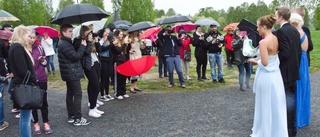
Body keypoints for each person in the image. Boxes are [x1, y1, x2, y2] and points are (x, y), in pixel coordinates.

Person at [249, 14, 288, 137]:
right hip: (276, 75)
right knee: (275, 104)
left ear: (264, 27)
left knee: (264, 105)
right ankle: (276, 131)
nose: (257, 29)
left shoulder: (263, 42)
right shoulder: (276, 38)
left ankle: (265, 131)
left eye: (258, 27)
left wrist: (254, 61)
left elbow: (265, 62)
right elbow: (273, 58)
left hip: (266, 77)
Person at [275, 6, 302, 137]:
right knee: (291, 102)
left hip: (285, 73)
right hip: (293, 72)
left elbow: (285, 53)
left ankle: (286, 130)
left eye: (276, 15)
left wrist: (274, 58)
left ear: (280, 16)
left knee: (285, 102)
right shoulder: (295, 30)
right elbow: (298, 52)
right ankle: (292, 129)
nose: (275, 18)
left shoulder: (281, 32)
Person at [58, 24, 91, 126]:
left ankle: (71, 115)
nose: (72, 33)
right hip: (71, 72)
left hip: (70, 71)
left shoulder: (66, 42)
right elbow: (75, 56)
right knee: (77, 94)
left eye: (72, 31)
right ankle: (77, 118)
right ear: (63, 32)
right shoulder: (64, 43)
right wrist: (82, 46)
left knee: (71, 93)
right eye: (70, 31)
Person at [8, 25, 38, 137]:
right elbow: (23, 70)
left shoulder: (15, 47)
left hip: (21, 85)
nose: (30, 37)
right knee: (25, 119)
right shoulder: (17, 47)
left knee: (24, 118)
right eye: (28, 35)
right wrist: (35, 79)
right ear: (21, 35)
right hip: (23, 86)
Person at [74, 26, 105, 118]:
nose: (91, 34)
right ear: (84, 33)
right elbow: (86, 52)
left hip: (96, 63)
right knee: (95, 86)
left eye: (91, 32)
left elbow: (99, 50)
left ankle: (94, 106)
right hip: (88, 65)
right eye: (89, 32)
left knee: (95, 85)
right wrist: (88, 42)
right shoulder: (79, 41)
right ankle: (91, 108)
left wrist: (95, 41)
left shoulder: (91, 40)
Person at [289, 13, 311, 128]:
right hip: (304, 61)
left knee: (297, 88)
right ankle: (303, 117)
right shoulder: (304, 32)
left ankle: (296, 118)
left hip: (299, 62)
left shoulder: (297, 33)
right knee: (303, 88)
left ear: (293, 23)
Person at [30, 32, 53, 135]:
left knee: (44, 102)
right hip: (31, 80)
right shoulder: (24, 50)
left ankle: (46, 123)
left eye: (33, 37)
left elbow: (46, 63)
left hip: (42, 78)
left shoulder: (39, 48)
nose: (31, 39)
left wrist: (42, 60)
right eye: (29, 37)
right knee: (33, 103)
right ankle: (35, 123)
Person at [112, 30, 130, 99]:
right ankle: (117, 93)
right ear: (116, 35)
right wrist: (124, 44)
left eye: (122, 35)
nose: (121, 36)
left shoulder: (123, 42)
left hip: (123, 60)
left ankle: (123, 91)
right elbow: (118, 50)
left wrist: (128, 45)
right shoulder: (114, 42)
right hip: (117, 61)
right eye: (120, 35)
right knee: (118, 77)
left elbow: (125, 51)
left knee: (123, 77)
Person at [98, 27, 114, 101]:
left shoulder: (108, 40)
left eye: (108, 33)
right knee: (103, 77)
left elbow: (110, 49)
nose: (107, 34)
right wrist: (110, 45)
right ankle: (102, 94)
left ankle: (107, 93)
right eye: (106, 33)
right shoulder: (99, 39)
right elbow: (101, 49)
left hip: (108, 59)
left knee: (108, 76)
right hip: (103, 59)